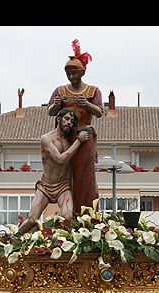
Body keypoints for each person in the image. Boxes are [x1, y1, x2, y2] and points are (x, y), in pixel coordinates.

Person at [48, 39, 103, 214]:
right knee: (63, 173)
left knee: (84, 176)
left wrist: (86, 105)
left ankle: (86, 212)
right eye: (69, 74)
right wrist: (56, 105)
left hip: (84, 136)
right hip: (64, 136)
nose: (72, 77)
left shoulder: (93, 91)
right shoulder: (60, 91)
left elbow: (100, 112)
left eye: (75, 73)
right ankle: (67, 211)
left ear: (82, 73)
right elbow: (50, 111)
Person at [18, 108, 90, 234]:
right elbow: (60, 159)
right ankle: (13, 240)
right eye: (67, 119)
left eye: (72, 121)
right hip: (46, 186)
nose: (69, 123)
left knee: (67, 217)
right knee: (31, 221)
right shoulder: (47, 139)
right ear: (58, 119)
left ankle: (50, 236)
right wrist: (79, 140)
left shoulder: (70, 140)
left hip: (63, 186)